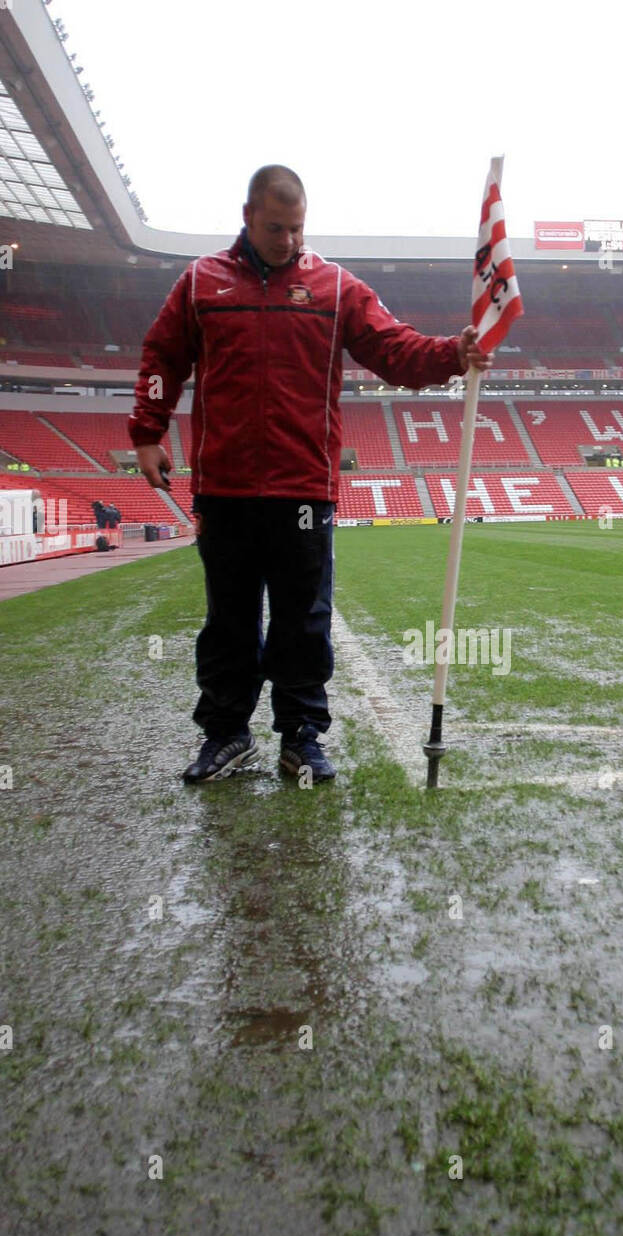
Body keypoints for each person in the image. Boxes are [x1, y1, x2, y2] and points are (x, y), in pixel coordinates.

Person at [129, 164, 492, 784]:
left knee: (303, 619)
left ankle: (301, 735)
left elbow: (392, 348)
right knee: (230, 619)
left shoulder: (335, 288)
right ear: (247, 217)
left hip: (303, 489)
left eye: (297, 229)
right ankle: (226, 734)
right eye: (276, 228)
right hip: (226, 487)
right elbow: (162, 357)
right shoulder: (200, 283)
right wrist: (146, 433)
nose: (289, 241)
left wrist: (451, 355)